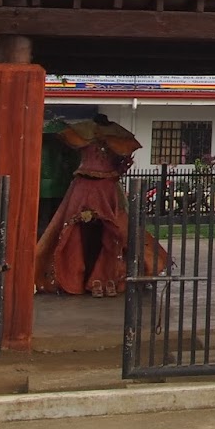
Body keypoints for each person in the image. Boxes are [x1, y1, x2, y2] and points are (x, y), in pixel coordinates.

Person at [33, 115, 168, 296]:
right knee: (71, 230)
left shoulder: (114, 136)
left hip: (104, 188)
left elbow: (123, 161)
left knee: (114, 232)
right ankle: (74, 276)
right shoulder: (86, 132)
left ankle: (104, 277)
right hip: (86, 186)